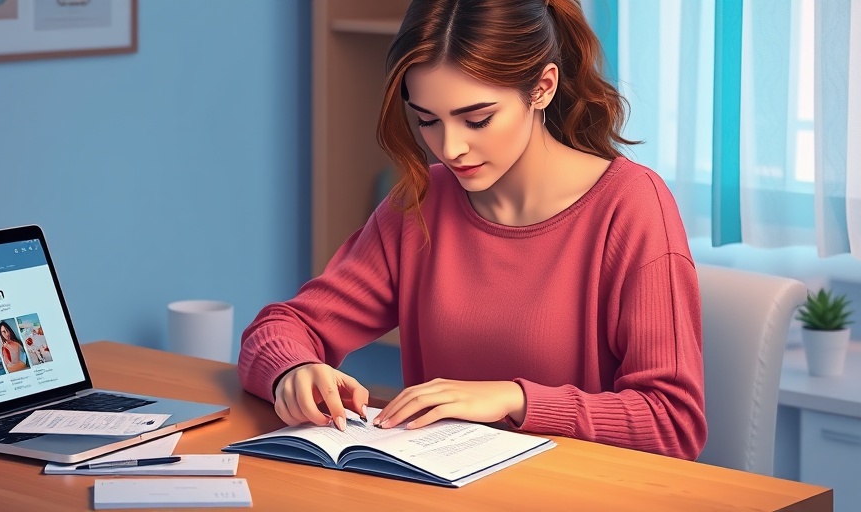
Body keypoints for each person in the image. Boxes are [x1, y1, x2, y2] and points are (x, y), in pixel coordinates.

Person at [238, 0, 707, 460]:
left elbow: (672, 422)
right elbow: (281, 328)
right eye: (427, 120)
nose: (450, 147)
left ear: (542, 87)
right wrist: (292, 371)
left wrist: (516, 400)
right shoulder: (421, 202)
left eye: (477, 119)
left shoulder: (630, 206)